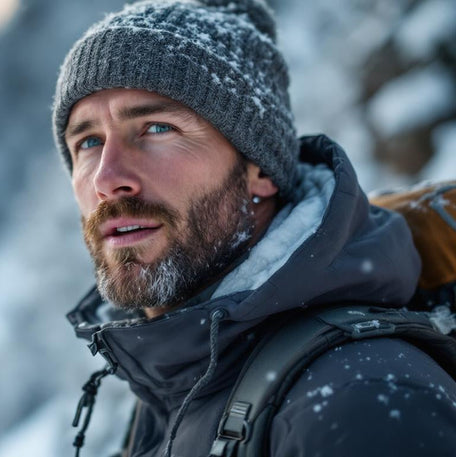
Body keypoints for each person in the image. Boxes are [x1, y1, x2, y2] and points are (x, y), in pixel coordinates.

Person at [50, 1, 456, 456]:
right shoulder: (181, 380)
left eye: (157, 128)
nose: (106, 179)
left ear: (259, 167)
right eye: (87, 142)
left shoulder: (358, 402)